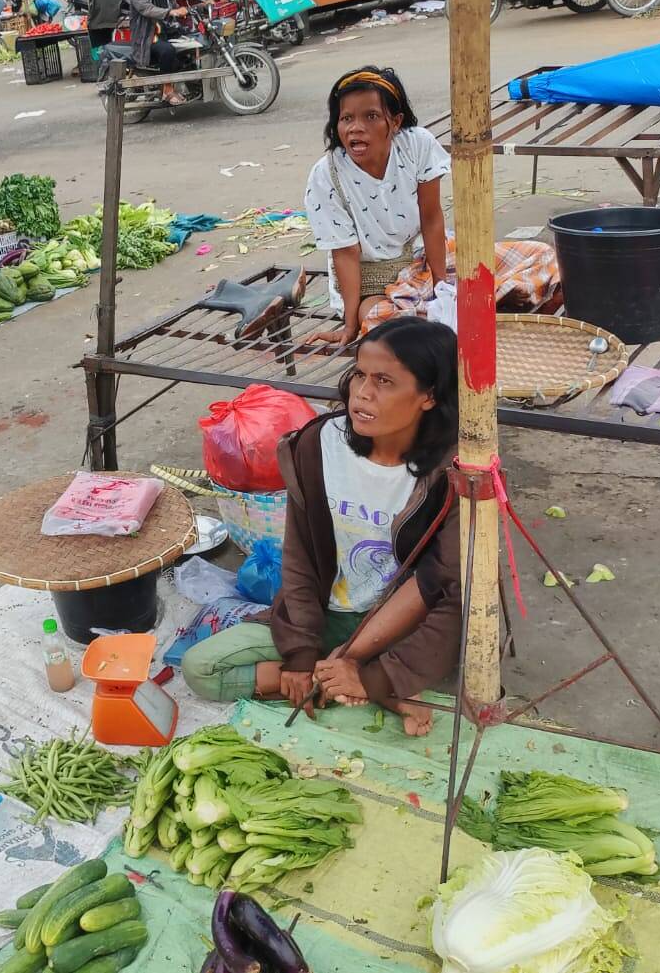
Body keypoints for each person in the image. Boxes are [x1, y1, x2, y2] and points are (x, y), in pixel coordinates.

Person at [181, 316, 462, 737]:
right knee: (199, 668)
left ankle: (368, 677)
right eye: (359, 375)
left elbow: (443, 587)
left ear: (429, 396)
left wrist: (367, 665)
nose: (362, 393)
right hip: (328, 613)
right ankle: (359, 685)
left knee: (443, 641)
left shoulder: (453, 473)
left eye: (384, 381)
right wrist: (299, 653)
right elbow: (299, 555)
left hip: (398, 624)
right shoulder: (319, 445)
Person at [305, 66, 560, 343]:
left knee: (542, 254)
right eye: (346, 118)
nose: (356, 127)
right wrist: (350, 325)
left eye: (371, 116)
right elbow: (345, 254)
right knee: (381, 322)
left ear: (396, 122)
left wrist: (441, 288)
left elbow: (431, 218)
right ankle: (474, 310)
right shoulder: (326, 175)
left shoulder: (416, 145)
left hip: (425, 260)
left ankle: (464, 310)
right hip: (372, 285)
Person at [128, 0, 189, 106]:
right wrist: (171, 12)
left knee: (189, 46)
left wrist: (193, 8)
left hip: (166, 32)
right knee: (167, 51)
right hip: (147, 38)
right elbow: (148, 9)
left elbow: (174, 6)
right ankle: (167, 90)